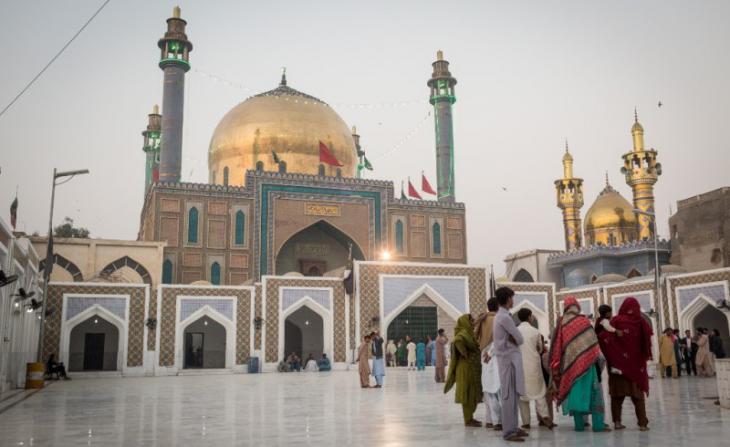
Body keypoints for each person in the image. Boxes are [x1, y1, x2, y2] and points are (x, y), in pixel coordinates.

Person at [550, 297, 609, 433]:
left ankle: (579, 425)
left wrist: (557, 366)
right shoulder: (583, 321)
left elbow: (557, 345)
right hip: (589, 364)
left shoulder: (561, 323)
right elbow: (593, 342)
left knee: (577, 393)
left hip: (571, 366)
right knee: (594, 393)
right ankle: (598, 425)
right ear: (577, 306)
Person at [602, 297, 652, 431]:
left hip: (618, 367)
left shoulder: (616, 320)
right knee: (638, 397)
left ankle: (617, 422)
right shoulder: (641, 322)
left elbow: (605, 338)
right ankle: (642, 424)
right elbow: (647, 340)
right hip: (636, 367)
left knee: (617, 397)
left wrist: (614, 356)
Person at [493, 287, 528, 442]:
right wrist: (513, 339)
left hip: (508, 360)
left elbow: (516, 338)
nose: (513, 301)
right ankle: (508, 432)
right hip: (508, 361)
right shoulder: (504, 318)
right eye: (512, 298)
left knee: (512, 395)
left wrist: (512, 338)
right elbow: (520, 339)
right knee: (508, 395)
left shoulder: (502, 316)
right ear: (507, 299)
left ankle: (513, 427)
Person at [516, 308, 553, 430]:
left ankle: (526, 422)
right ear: (529, 317)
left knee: (523, 396)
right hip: (534, 366)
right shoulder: (535, 331)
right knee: (539, 393)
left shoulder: (515, 331)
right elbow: (541, 349)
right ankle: (545, 417)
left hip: (520, 367)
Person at [444, 314, 483, 428]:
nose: (473, 323)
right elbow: (459, 344)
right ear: (465, 322)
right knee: (467, 393)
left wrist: (479, 320)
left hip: (472, 367)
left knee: (473, 393)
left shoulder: (469, 334)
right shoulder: (462, 335)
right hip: (465, 368)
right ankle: (468, 419)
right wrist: (467, 353)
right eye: (471, 321)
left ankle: (470, 417)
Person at [479, 298, 502, 430]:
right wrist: (491, 352)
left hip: (484, 355)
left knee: (488, 389)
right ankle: (498, 422)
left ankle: (490, 420)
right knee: (498, 390)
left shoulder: (483, 319)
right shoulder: (498, 319)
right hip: (494, 355)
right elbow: (498, 339)